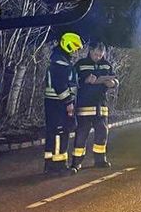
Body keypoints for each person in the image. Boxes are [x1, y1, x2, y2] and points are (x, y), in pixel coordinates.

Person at [71, 41, 119, 171]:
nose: (98, 57)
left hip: (101, 105)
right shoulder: (80, 64)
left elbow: (115, 79)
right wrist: (85, 81)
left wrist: (113, 83)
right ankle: (76, 162)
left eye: (100, 55)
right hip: (85, 105)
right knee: (81, 134)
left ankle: (100, 160)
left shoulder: (106, 65)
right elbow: (73, 81)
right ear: (90, 51)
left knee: (102, 133)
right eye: (96, 54)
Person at [43, 32, 80, 174]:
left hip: (54, 105)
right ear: (68, 45)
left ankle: (49, 164)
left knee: (53, 133)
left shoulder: (59, 61)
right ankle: (58, 166)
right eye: (75, 48)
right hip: (59, 105)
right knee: (60, 133)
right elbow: (61, 86)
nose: (77, 51)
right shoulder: (60, 64)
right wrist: (69, 103)